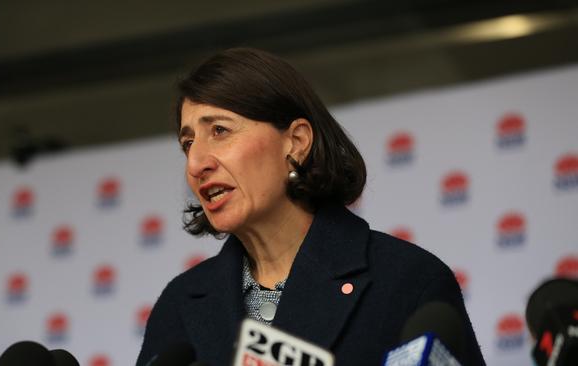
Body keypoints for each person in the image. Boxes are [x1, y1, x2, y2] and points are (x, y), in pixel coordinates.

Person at [136, 48, 485, 366]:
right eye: (187, 143)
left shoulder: (407, 281)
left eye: (220, 131)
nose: (196, 163)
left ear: (297, 142)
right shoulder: (180, 305)